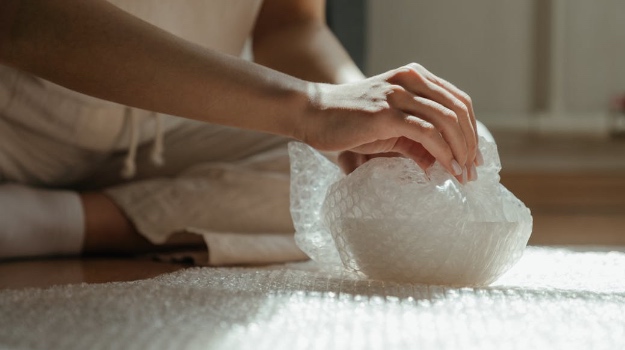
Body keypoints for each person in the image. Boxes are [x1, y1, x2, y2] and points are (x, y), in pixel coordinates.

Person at [0, 0, 482, 262]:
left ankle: (53, 221)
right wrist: (311, 107)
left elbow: (288, 25)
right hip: (14, 127)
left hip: (168, 126)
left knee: (436, 144)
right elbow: (22, 19)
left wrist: (355, 107)